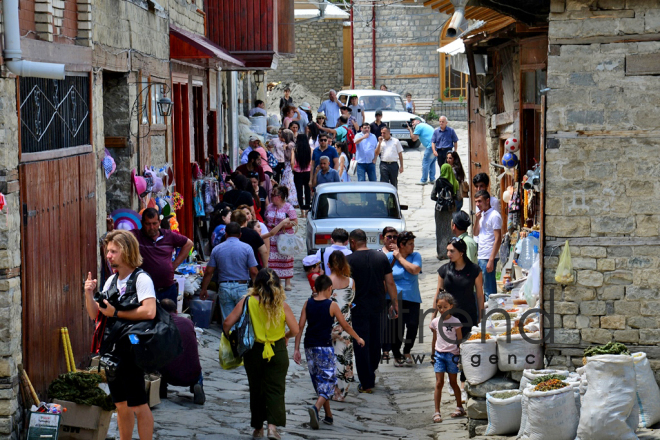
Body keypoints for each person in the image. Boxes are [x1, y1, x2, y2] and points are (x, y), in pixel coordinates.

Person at [84, 230, 157, 440]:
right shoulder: (111, 282)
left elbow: (150, 311)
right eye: (108, 251)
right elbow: (94, 315)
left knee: (139, 404)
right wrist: (88, 293)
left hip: (133, 351)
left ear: (126, 252)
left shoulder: (141, 279)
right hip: (114, 352)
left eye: (113, 251)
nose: (108, 256)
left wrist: (116, 312)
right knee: (121, 405)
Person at [223, 269, 299, 440]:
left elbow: (227, 322)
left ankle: (258, 428)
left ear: (256, 284)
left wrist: (230, 339)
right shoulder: (281, 304)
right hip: (277, 350)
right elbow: (295, 330)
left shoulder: (247, 301)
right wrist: (285, 337)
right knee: (276, 389)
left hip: (254, 351)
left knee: (256, 389)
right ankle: (272, 428)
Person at [294, 275, 365, 430]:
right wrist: (358, 338)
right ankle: (316, 408)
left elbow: (300, 327)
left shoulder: (308, 303)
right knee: (329, 381)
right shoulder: (331, 305)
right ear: (328, 289)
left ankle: (328, 416)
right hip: (324, 347)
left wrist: (296, 349)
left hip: (309, 346)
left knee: (320, 382)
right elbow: (345, 325)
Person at [346, 229, 399, 393]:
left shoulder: (349, 260)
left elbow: (345, 285)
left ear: (353, 242)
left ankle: (366, 381)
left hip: (358, 307)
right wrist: (395, 303)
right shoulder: (380, 257)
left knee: (361, 342)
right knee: (375, 341)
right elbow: (390, 283)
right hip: (379, 305)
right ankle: (371, 372)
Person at [434, 238, 485, 396]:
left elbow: (480, 295)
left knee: (465, 349)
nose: (448, 253)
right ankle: (453, 381)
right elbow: (438, 293)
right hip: (448, 318)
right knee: (450, 350)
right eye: (448, 250)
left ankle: (463, 383)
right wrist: (433, 315)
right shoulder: (444, 270)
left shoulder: (474, 270)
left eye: (452, 251)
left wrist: (481, 317)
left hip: (467, 315)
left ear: (461, 252)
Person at [132, 208, 193, 303]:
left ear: (159, 222)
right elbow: (120, 238)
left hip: (167, 289)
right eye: (148, 224)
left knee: (170, 317)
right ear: (142, 223)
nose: (152, 227)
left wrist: (174, 265)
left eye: (154, 223)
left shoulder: (169, 235)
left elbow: (189, 244)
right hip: (146, 291)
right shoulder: (136, 236)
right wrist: (111, 229)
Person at [199, 222, 259, 316]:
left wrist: (204, 289)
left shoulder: (217, 249)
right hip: (242, 287)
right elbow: (254, 271)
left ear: (226, 234)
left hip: (224, 287)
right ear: (240, 235)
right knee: (243, 318)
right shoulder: (247, 248)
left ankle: (229, 331)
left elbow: (209, 271)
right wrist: (257, 289)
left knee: (228, 320)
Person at [158, 299, 205, 405]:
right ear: (176, 311)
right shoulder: (188, 322)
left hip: (168, 374)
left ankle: (161, 388)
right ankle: (197, 384)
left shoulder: (159, 325)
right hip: (192, 373)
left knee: (158, 360)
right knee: (194, 362)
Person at [387, 231, 422, 367]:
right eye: (410, 244)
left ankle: (407, 350)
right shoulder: (390, 257)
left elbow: (414, 270)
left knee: (413, 325)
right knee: (397, 328)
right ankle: (396, 354)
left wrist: (400, 258)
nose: (413, 246)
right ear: (401, 244)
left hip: (412, 296)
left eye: (413, 243)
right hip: (395, 297)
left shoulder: (415, 256)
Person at [429, 292, 465, 423]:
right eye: (439, 307)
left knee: (453, 382)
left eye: (444, 307)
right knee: (439, 383)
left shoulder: (456, 322)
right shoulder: (435, 322)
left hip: (452, 355)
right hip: (439, 355)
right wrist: (433, 355)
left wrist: (460, 356)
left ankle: (459, 407)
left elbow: (459, 341)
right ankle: (437, 411)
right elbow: (434, 339)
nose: (442, 310)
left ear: (451, 306)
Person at [326, 251, 356, 400]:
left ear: (328, 264)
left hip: (328, 324)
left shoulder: (324, 281)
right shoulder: (350, 282)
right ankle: (341, 392)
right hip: (345, 324)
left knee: (330, 357)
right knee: (343, 357)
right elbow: (351, 301)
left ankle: (329, 390)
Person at [265, 185, 298, 290]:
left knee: (286, 258)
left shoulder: (288, 207)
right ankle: (274, 280)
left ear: (280, 197)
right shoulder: (269, 207)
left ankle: (287, 281)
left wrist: (283, 225)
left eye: (274, 195)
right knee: (272, 259)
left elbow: (295, 222)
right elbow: (266, 219)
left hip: (284, 237)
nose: (272, 197)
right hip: (272, 236)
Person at [473, 190, 502, 298]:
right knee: (483, 289)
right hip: (481, 255)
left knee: (489, 291)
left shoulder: (494, 215)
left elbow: (498, 238)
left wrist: (491, 259)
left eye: (480, 201)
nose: (477, 204)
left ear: (487, 200)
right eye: (476, 201)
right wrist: (477, 219)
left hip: (488, 257)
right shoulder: (482, 216)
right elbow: (476, 233)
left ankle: (492, 312)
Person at [431, 164, 459, 259]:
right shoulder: (455, 182)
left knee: (440, 231)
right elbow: (458, 197)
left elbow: (432, 196)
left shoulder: (438, 182)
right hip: (451, 209)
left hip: (439, 210)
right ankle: (451, 251)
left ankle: (442, 253)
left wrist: (440, 200)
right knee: (450, 230)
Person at [379, 226, 398, 361]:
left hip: (396, 293)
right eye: (389, 237)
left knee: (394, 325)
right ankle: (385, 350)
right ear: (383, 238)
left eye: (395, 237)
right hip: (382, 292)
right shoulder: (379, 254)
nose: (392, 239)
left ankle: (393, 349)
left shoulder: (400, 253)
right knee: (384, 323)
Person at [409, 117, 437, 186]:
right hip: (436, 145)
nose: (412, 124)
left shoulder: (419, 126)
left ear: (418, 121)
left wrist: (410, 129)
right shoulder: (425, 125)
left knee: (426, 162)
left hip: (431, 146)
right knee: (432, 162)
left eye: (413, 122)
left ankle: (424, 180)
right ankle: (432, 179)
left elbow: (414, 139)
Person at [292, 132, 312, 215]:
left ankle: (302, 211)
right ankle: (307, 210)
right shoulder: (310, 149)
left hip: (297, 172)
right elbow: (311, 162)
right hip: (307, 172)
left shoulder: (295, 149)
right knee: (307, 191)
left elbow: (292, 162)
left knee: (299, 192)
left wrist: (293, 170)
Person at [280, 129, 299, 207]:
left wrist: (284, 149)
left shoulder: (290, 145)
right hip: (288, 165)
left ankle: (291, 200)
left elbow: (289, 157)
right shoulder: (291, 144)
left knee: (289, 183)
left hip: (289, 166)